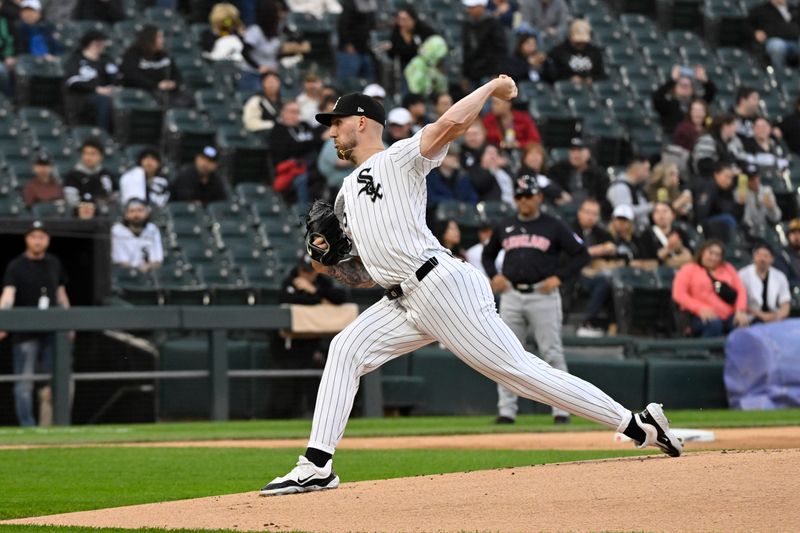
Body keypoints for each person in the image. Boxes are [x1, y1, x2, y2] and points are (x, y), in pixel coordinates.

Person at [260, 78, 683, 496]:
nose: (331, 130)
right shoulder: (346, 193)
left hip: (441, 285)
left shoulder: (399, 157)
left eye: (337, 122)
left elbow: (449, 124)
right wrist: (328, 264)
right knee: (345, 349)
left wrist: (491, 86)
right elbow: (367, 274)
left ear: (363, 121)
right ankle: (316, 465)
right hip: (402, 298)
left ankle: (637, 424)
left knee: (520, 373)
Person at [482, 175, 589, 425]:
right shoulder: (505, 225)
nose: (524, 201)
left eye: (528, 196)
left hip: (543, 294)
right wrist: (494, 275)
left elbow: (581, 254)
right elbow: (488, 255)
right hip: (512, 295)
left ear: (539, 196)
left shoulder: (553, 225)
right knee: (506, 353)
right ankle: (507, 411)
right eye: (519, 196)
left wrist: (560, 277)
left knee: (551, 352)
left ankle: (561, 409)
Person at [0, 220, 71, 427]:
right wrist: (3, 321)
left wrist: (69, 322)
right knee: (24, 383)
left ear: (47, 240)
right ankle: (27, 426)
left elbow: (61, 294)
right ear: (26, 239)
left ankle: (55, 425)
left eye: (41, 237)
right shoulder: (16, 266)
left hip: (52, 331)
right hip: (25, 333)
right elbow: (7, 296)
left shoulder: (54, 263)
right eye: (33, 237)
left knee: (56, 380)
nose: (37, 241)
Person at [269, 257, 347, 418]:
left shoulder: (321, 281)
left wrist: (314, 291)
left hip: (313, 344)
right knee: (286, 388)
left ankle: (316, 414)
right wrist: (320, 300)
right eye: (304, 270)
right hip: (288, 346)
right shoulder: (290, 281)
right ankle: (284, 416)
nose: (307, 274)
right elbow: (289, 300)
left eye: (311, 271)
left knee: (318, 379)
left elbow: (341, 297)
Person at [672, 239, 749, 337]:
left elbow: (741, 290)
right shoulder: (688, 269)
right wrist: (699, 308)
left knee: (741, 325)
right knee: (714, 324)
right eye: (710, 253)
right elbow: (678, 294)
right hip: (698, 315)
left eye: (717, 255)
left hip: (728, 314)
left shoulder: (727, 268)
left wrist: (740, 311)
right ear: (702, 252)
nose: (713, 257)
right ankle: (704, 352)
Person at [572, 197, 616, 337]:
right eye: (587, 212)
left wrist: (611, 247)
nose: (591, 217)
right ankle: (586, 321)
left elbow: (613, 247)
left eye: (594, 214)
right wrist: (599, 249)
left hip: (594, 273)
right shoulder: (570, 228)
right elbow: (572, 252)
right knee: (603, 281)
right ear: (579, 213)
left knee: (612, 281)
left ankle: (614, 325)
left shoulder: (599, 232)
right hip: (572, 274)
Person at [120, 25, 190, 108]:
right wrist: (156, 85)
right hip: (145, 93)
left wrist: (173, 83)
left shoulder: (164, 55)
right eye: (159, 37)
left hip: (167, 93)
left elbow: (176, 74)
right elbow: (132, 76)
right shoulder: (132, 54)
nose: (162, 41)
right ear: (149, 39)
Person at [63, 30, 119, 131]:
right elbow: (72, 82)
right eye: (101, 43)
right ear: (94, 43)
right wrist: (96, 89)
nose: (104, 46)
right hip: (82, 97)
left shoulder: (106, 59)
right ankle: (103, 132)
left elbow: (116, 77)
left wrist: (112, 86)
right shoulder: (76, 60)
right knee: (103, 101)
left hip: (107, 93)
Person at [270, 100, 323, 204]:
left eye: (297, 112)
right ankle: (304, 211)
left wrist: (312, 142)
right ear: (283, 113)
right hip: (291, 169)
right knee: (302, 179)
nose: (295, 115)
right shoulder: (278, 130)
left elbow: (316, 141)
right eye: (292, 112)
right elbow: (289, 149)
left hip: (313, 165)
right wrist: (312, 143)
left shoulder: (304, 126)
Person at [245, 0, 310, 75]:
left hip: (272, 72)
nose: (281, 16)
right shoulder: (255, 31)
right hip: (253, 73)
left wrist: (296, 50)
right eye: (278, 13)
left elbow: (276, 54)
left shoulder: (277, 30)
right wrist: (258, 67)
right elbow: (245, 52)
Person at [652, 66, 715, 137]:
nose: (685, 88)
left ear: (692, 88)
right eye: (681, 85)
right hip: (673, 138)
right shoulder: (668, 104)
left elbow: (711, 92)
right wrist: (672, 80)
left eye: (688, 86)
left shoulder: (696, 103)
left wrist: (704, 79)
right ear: (674, 88)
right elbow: (657, 97)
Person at [738, 242, 791, 324]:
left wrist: (777, 316)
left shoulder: (780, 276)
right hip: (751, 317)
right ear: (754, 257)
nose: (762, 259)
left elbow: (785, 303)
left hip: (774, 317)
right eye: (759, 255)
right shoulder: (743, 274)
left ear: (772, 259)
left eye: (766, 256)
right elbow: (740, 302)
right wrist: (762, 315)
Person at [462, 0, 507, 89]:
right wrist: (465, 75)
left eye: (472, 7)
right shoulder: (467, 24)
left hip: (488, 73)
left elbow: (500, 50)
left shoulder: (493, 23)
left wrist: (497, 72)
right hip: (473, 73)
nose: (469, 10)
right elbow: (466, 51)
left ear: (481, 7)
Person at [546, 19, 605, 84]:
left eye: (583, 42)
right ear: (570, 36)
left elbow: (602, 75)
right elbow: (550, 75)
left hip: (590, 91)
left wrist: (591, 79)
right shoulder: (558, 52)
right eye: (577, 42)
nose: (580, 44)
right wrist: (568, 79)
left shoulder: (594, 52)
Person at [111, 198, 164, 272]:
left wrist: (147, 266)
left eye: (140, 210)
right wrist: (137, 268)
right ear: (125, 214)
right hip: (125, 274)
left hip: (148, 272)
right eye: (132, 211)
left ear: (147, 213)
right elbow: (119, 261)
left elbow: (157, 260)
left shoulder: (153, 229)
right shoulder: (117, 231)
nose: (136, 215)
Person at [636, 202, 693, 268]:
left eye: (665, 211)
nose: (661, 215)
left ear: (673, 215)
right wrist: (669, 248)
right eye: (657, 212)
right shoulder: (646, 235)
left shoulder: (680, 232)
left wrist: (680, 248)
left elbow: (690, 256)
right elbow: (649, 261)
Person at [695, 162, 746, 235]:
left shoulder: (728, 192)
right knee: (728, 220)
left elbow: (735, 217)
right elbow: (701, 215)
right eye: (726, 176)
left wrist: (740, 204)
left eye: (731, 178)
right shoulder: (709, 187)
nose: (729, 181)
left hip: (723, 228)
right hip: (707, 228)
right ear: (716, 175)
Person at [63, 137, 115, 207]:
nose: (88, 157)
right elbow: (71, 200)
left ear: (101, 156)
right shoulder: (73, 175)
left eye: (93, 154)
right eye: (85, 153)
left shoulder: (106, 174)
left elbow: (115, 196)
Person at [691, 114, 748, 179]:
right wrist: (727, 170)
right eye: (733, 125)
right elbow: (703, 165)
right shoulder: (707, 140)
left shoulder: (733, 141)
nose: (736, 128)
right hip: (707, 179)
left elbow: (741, 159)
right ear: (724, 126)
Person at [748, 0, 799, 69]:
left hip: (795, 41)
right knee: (776, 46)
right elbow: (747, 25)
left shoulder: (793, 8)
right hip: (774, 40)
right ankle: (780, 73)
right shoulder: (761, 9)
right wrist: (755, 33)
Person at [606, 155, 652, 231]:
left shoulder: (635, 187)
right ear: (637, 169)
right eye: (646, 169)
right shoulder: (620, 187)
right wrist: (652, 206)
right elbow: (625, 212)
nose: (648, 173)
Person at [425, 142, 478, 207]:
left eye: (457, 156)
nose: (455, 158)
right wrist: (455, 204)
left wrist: (465, 206)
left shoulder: (463, 176)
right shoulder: (430, 177)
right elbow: (430, 198)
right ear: (441, 157)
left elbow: (473, 197)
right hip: (438, 214)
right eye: (450, 156)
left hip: (462, 214)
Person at [335, 0, 376, 81]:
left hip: (365, 49)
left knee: (367, 82)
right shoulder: (350, 4)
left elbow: (371, 25)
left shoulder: (371, 4)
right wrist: (348, 44)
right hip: (350, 51)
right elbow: (342, 26)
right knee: (348, 82)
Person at [387, 5, 435, 69]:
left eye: (405, 19)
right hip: (406, 67)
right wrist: (390, 48)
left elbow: (435, 40)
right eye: (399, 19)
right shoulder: (396, 33)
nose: (402, 23)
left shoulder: (423, 30)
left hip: (424, 66)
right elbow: (393, 54)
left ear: (413, 20)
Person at [742, 165, 782, 238]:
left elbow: (776, 217)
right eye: (752, 179)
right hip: (747, 232)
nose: (755, 181)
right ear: (746, 180)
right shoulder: (741, 193)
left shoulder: (767, 191)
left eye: (757, 177)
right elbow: (744, 219)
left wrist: (771, 208)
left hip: (766, 231)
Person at [776, 217, 800, 287]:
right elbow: (783, 282)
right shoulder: (782, 255)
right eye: (793, 233)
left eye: (799, 233)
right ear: (788, 236)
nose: (797, 237)